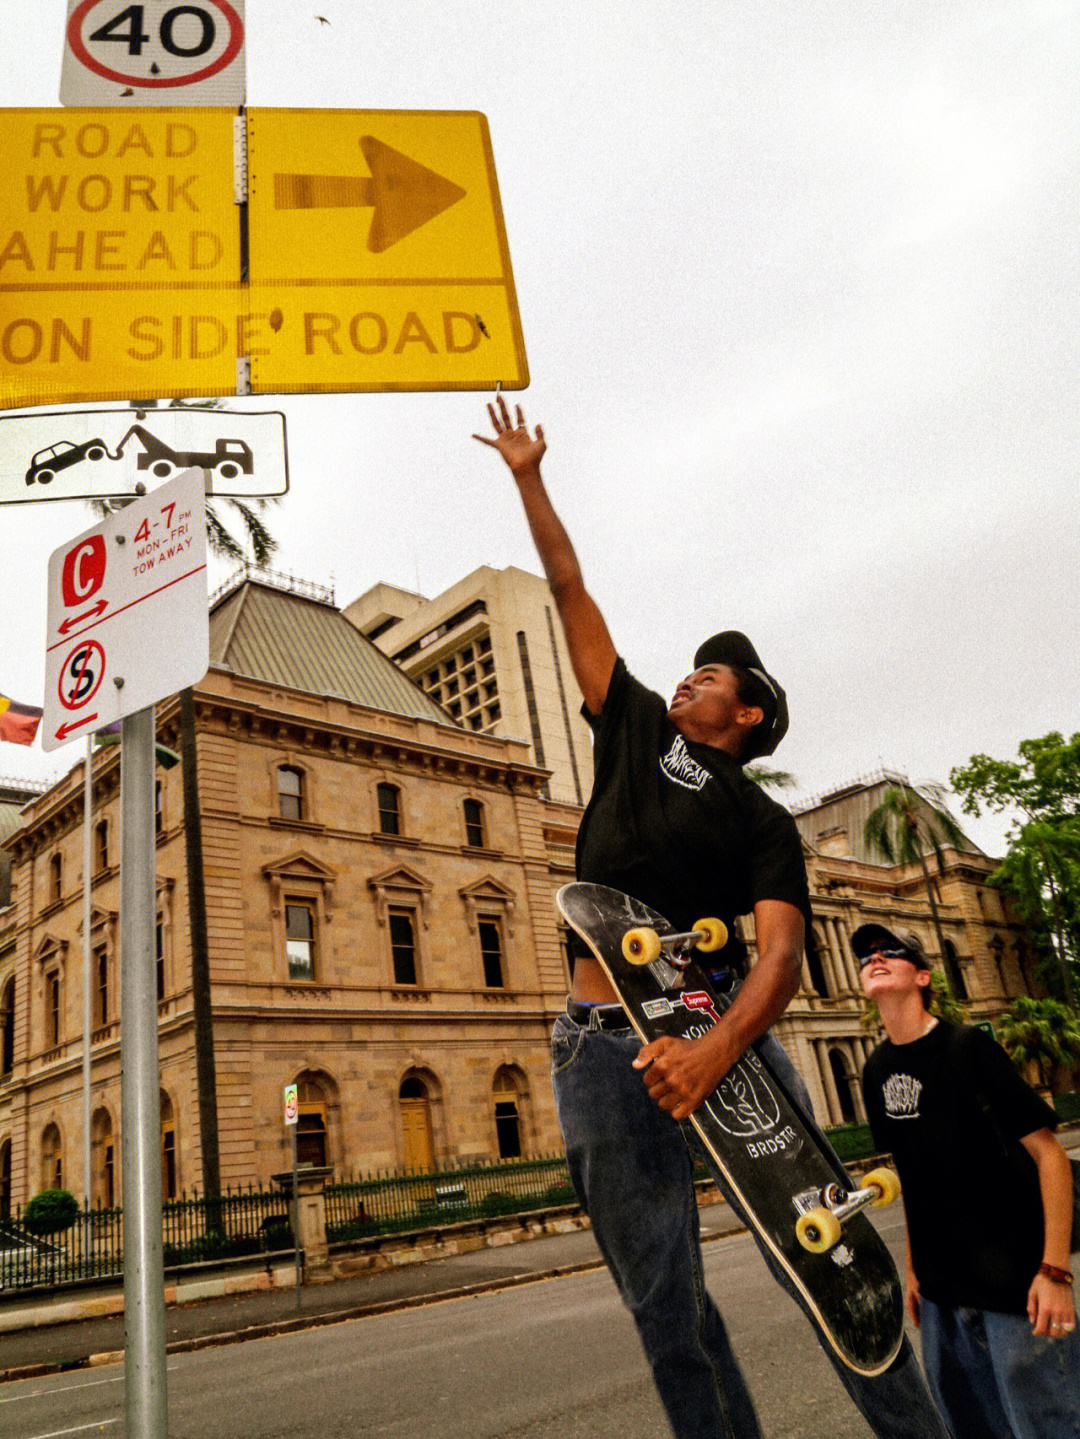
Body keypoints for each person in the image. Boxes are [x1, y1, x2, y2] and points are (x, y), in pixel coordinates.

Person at [475, 397, 951, 1439]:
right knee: (666, 1308)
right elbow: (568, 587)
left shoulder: (761, 818)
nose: (692, 672)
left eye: (715, 673)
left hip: (716, 1030)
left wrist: (713, 1048)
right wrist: (528, 477)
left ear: (749, 716)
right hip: (600, 1049)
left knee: (825, 1260)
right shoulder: (637, 725)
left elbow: (780, 957)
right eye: (693, 665)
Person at [856, 921, 1080, 1439]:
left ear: (924, 976)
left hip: (1018, 1292)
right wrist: (913, 1271)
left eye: (891, 950)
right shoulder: (876, 1071)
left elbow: (1051, 1158)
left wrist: (1055, 1273)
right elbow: (914, 1175)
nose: (876, 958)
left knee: (1049, 1428)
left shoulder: (968, 1049)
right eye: (866, 954)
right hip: (939, 1302)